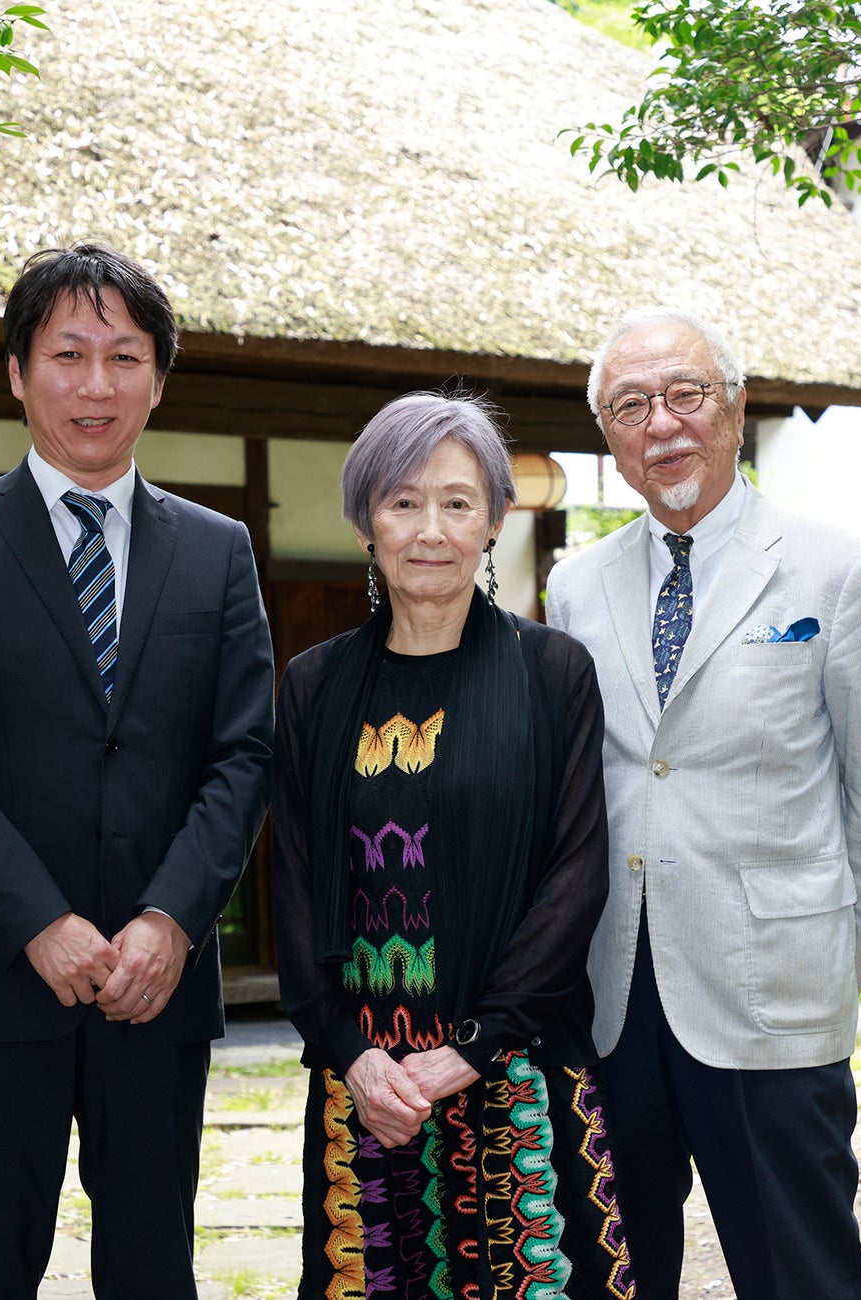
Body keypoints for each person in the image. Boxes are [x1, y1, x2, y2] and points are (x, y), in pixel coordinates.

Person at [0, 243, 274, 1299]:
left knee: (153, 1267)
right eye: (68, 354)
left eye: (124, 357)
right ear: (17, 371)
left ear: (158, 376)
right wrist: (38, 920)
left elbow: (244, 754)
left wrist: (172, 921)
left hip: (157, 984)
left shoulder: (218, 549)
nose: (96, 385)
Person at [545, 307, 861, 1299]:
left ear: (736, 405)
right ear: (610, 438)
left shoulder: (835, 572)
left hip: (772, 993)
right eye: (631, 405)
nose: (662, 423)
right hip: (614, 995)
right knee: (613, 1275)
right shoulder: (576, 584)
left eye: (687, 393)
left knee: (800, 1271)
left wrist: (833, 950)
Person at [272, 392, 638, 1300]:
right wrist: (353, 1052)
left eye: (456, 502)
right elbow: (293, 883)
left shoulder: (552, 673)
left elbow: (576, 870)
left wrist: (470, 1048)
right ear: (366, 523)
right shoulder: (314, 685)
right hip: (371, 1081)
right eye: (401, 503)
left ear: (494, 521)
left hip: (515, 1060)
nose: (428, 529)